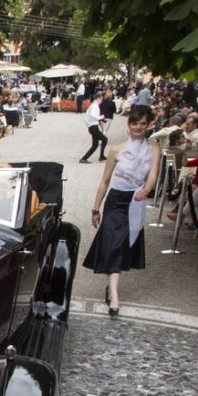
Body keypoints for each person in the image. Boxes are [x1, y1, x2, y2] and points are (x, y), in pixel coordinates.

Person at [84, 105, 160, 316]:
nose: (138, 127)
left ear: (148, 125)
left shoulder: (154, 148)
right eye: (134, 123)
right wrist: (95, 208)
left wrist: (147, 189)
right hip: (116, 200)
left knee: (123, 246)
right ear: (129, 124)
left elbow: (153, 174)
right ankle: (115, 295)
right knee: (113, 245)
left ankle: (112, 289)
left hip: (136, 200)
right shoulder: (116, 150)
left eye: (142, 123)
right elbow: (105, 181)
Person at [80, 94, 107, 163]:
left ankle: (84, 158)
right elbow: (92, 115)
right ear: (98, 99)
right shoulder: (95, 105)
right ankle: (101, 156)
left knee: (95, 145)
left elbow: (88, 117)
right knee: (105, 139)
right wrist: (99, 117)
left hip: (92, 127)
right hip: (93, 127)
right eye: (101, 99)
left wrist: (99, 119)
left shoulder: (92, 105)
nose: (101, 101)